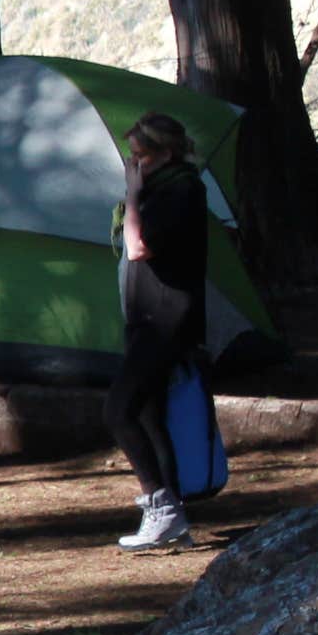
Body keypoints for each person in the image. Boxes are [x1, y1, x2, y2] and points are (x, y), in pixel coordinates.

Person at [107, 112, 208, 551]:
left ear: (165, 154)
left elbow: (138, 246)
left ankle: (159, 504)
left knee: (119, 409)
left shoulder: (181, 189)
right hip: (148, 317)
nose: (135, 166)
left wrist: (132, 196)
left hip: (165, 319)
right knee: (149, 414)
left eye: (141, 157)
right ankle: (173, 517)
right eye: (132, 158)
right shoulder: (165, 186)